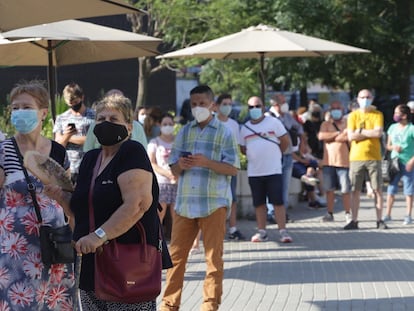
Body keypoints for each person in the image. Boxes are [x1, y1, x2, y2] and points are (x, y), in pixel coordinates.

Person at [45, 94, 162, 310]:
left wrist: (98, 236)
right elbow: (82, 208)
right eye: (100, 119)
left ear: (128, 127)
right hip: (91, 264)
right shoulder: (90, 158)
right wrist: (60, 197)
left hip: (127, 263)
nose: (106, 124)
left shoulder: (132, 151)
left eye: (114, 119)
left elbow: (137, 204)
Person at [160, 85, 239, 311]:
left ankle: (209, 305)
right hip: (185, 203)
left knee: (213, 259)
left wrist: (208, 163)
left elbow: (233, 168)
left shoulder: (224, 132)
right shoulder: (184, 131)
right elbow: (173, 169)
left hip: (213, 202)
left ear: (212, 105)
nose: (197, 108)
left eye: (202, 104)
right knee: (175, 259)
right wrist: (179, 166)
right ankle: (168, 304)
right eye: (194, 104)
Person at [0, 80, 75, 309]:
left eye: (26, 107)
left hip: (54, 246)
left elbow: (72, 203)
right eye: (15, 108)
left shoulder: (59, 152)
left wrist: (60, 196)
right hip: (15, 249)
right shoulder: (3, 150)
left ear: (43, 112)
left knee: (54, 303)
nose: (20, 112)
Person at [239, 96, 292, 243]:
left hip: (273, 170)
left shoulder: (273, 122)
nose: (254, 109)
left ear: (263, 107)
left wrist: (276, 153)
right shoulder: (244, 128)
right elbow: (242, 148)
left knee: (278, 202)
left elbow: (285, 140)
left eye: (257, 106)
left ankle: (283, 231)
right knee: (259, 203)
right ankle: (262, 231)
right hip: (255, 172)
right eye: (251, 107)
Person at [345, 89, 387, 230]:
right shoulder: (353, 116)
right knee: (355, 190)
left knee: (378, 189)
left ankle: (379, 220)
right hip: (356, 157)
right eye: (362, 97)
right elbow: (350, 136)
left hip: (374, 157)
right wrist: (369, 133)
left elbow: (378, 133)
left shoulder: (377, 114)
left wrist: (361, 132)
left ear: (372, 98)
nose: (365, 99)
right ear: (357, 99)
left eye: (368, 97)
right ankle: (354, 220)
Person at [269, 93, 305, 220]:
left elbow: (299, 128)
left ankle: (282, 213)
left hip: (288, 155)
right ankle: (272, 213)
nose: (285, 104)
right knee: (273, 185)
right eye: (282, 102)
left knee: (284, 186)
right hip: (274, 156)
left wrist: (301, 142)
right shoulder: (269, 117)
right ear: (275, 104)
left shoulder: (287, 117)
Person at [317, 101, 352, 223]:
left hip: (344, 162)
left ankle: (348, 213)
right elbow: (321, 136)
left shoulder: (348, 123)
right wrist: (337, 134)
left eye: (338, 108)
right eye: (333, 108)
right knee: (329, 190)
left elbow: (348, 137)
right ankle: (330, 213)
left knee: (345, 189)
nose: (336, 110)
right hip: (328, 161)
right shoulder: (325, 124)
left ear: (342, 110)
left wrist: (331, 138)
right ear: (330, 111)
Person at [53, 82, 95, 183]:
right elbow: (58, 144)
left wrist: (68, 137)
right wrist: (67, 135)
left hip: (90, 165)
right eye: (70, 103)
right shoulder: (61, 118)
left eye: (76, 102)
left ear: (82, 97)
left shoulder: (94, 116)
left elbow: (93, 139)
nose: (74, 105)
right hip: (69, 167)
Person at [147, 113, 177, 239]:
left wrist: (176, 174)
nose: (167, 126)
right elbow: (152, 163)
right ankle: (156, 240)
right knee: (160, 213)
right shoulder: (154, 142)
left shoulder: (178, 142)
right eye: (165, 124)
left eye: (170, 124)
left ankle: (177, 240)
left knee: (177, 215)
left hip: (177, 182)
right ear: (159, 125)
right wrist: (167, 174)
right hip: (161, 182)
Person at [383, 104, 414, 225]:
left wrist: (412, 161)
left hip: (408, 162)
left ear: (404, 115)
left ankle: (408, 215)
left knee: (409, 190)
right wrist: (393, 147)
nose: (395, 115)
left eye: (397, 113)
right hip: (394, 162)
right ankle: (388, 214)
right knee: (391, 188)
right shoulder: (392, 127)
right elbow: (388, 145)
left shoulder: (411, 128)